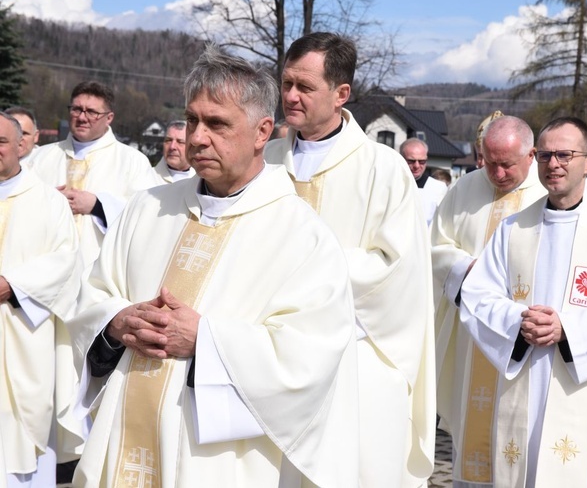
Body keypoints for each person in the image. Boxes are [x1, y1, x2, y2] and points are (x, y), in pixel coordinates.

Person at [68, 45, 358, 487]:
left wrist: (206, 339)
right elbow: (92, 294)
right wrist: (114, 322)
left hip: (216, 461)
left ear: (263, 132)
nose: (195, 138)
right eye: (192, 120)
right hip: (122, 438)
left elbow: (310, 357)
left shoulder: (301, 235)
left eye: (217, 123)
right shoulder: (147, 208)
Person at [264, 32, 435, 488]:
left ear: (342, 94)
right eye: (286, 84)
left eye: (304, 87)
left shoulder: (383, 168)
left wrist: (307, 267)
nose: (290, 96)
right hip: (266, 357)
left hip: (354, 359)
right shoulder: (265, 162)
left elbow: (397, 271)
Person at [460, 117, 587, 487]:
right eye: (546, 155)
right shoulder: (513, 228)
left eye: (565, 154)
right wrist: (518, 321)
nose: (554, 164)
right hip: (526, 384)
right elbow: (476, 295)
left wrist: (566, 328)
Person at [431, 116, 546, 486]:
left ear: (531, 155)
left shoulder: (549, 195)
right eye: (488, 161)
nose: (495, 172)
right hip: (471, 334)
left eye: (506, 164)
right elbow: (433, 246)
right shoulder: (464, 189)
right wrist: (466, 268)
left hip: (524, 337)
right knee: (471, 424)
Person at [0, 112, 80, 487]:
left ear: (21, 146)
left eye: (1, 142)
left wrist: (12, 285)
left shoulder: (49, 202)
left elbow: (67, 263)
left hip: (24, 337)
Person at [32, 80, 162, 275]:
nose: (82, 117)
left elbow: (148, 217)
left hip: (97, 275)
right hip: (42, 271)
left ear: (109, 118)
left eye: (92, 112)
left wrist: (98, 206)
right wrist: (46, 200)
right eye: (76, 109)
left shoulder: (132, 161)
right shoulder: (40, 157)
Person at [400, 137, 448, 227]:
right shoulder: (392, 186)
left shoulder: (439, 189)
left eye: (422, 161)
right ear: (401, 159)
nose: (416, 166)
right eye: (411, 161)